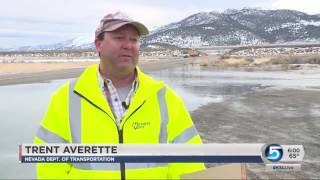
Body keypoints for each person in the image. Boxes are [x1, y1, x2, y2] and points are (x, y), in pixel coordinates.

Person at [34, 11, 205, 179]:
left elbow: (189, 162)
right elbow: (50, 164)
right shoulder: (66, 99)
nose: (128, 45)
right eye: (119, 38)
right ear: (98, 44)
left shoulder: (166, 99)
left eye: (134, 40)